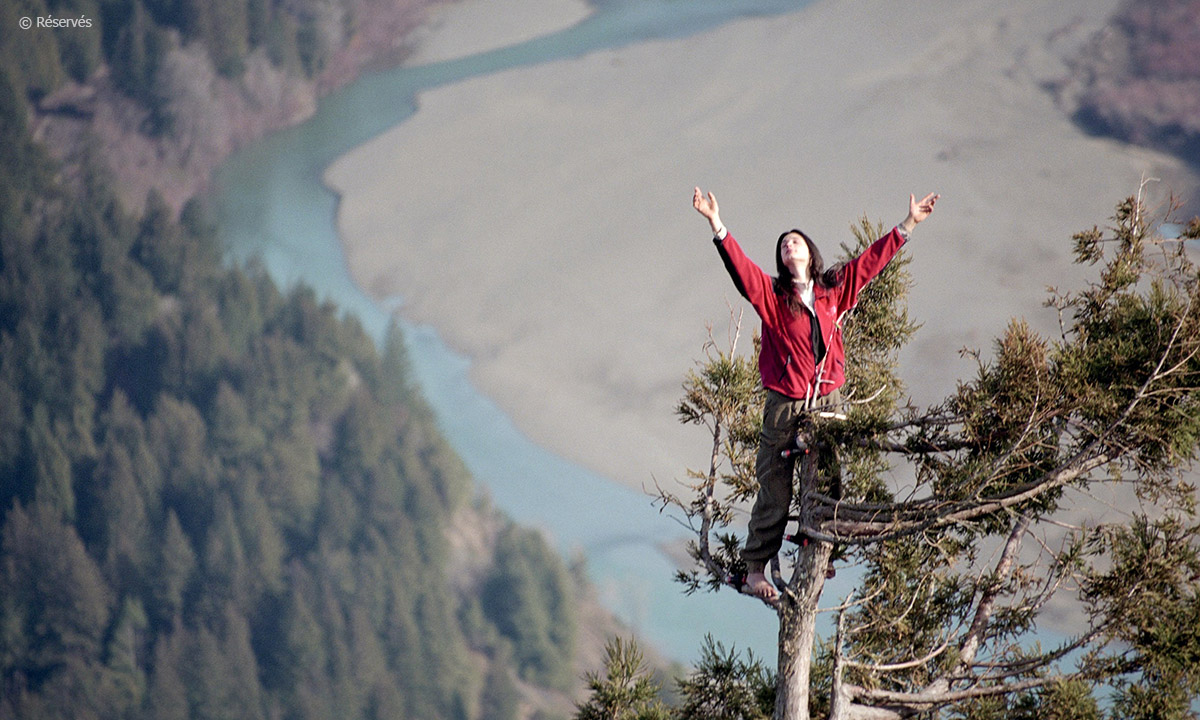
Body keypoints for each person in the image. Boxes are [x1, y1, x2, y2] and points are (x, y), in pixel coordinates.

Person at [692, 186, 938, 605]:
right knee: (774, 485)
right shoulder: (773, 297)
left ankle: (819, 552)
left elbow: (868, 264)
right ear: (782, 259)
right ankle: (754, 570)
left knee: (827, 480)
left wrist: (908, 224)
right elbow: (742, 272)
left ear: (810, 252)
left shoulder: (833, 288)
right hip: (784, 402)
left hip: (828, 401)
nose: (790, 245)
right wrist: (717, 224)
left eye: (796, 241)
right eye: (784, 244)